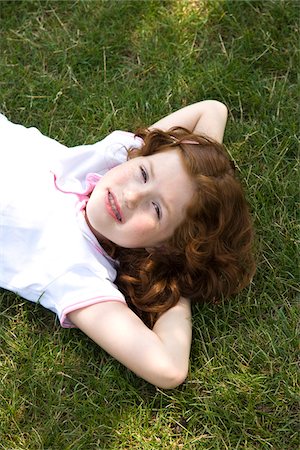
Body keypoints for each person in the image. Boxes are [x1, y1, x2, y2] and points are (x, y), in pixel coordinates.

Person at [0, 100, 255, 389]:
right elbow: (212, 110)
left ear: (163, 247)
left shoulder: (75, 270)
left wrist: (175, 271)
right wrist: (203, 175)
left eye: (157, 210)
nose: (133, 195)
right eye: (145, 174)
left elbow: (169, 368)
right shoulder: (116, 161)